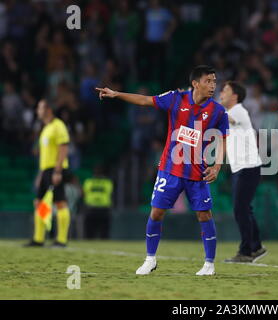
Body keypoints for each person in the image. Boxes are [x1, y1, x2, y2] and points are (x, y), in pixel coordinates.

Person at [96, 65, 229, 276]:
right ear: (195, 83)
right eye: (208, 81)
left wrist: (217, 165)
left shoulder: (218, 111)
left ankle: (209, 264)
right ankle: (150, 259)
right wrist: (116, 94)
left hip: (197, 172)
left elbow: (222, 139)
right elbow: (145, 100)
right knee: (156, 212)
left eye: (214, 81)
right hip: (170, 169)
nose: (213, 85)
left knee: (204, 215)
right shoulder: (176, 98)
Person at [219, 81, 266, 263]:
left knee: (240, 209)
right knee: (245, 209)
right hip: (243, 168)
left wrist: (207, 105)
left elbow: (227, 119)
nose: (221, 92)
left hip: (248, 168)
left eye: (225, 90)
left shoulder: (238, 110)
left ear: (235, 96)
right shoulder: (232, 112)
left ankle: (246, 252)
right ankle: (256, 247)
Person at [25, 99, 71, 247]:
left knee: (60, 203)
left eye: (40, 108)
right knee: (39, 203)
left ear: (48, 110)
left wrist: (58, 171)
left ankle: (61, 240)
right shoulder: (46, 128)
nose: (38, 111)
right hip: (45, 170)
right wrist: (40, 174)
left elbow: (63, 148)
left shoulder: (58, 126)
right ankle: (39, 238)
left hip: (55, 169)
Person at [82, 165, 114, 239]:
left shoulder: (90, 182)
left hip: (101, 208)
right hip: (93, 208)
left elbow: (84, 193)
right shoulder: (90, 181)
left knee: (103, 233)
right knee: (90, 233)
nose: (98, 172)